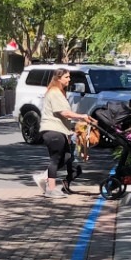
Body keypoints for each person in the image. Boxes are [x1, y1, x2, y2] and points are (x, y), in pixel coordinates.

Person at [34, 67, 93, 197]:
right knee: (55, 159)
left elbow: (64, 116)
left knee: (66, 157)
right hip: (53, 130)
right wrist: (81, 116)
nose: (69, 79)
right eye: (66, 77)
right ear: (58, 78)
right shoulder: (54, 92)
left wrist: (71, 130)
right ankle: (51, 189)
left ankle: (44, 178)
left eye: (69, 77)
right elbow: (64, 113)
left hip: (60, 130)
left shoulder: (59, 92)